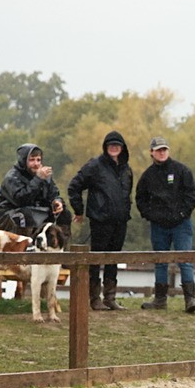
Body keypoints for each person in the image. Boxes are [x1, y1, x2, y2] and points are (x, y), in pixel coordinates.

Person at [68, 131, 133, 310]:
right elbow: (74, 186)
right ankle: (94, 298)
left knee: (114, 259)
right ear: (105, 147)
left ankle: (110, 297)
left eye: (117, 145)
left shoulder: (126, 169)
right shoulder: (95, 166)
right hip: (100, 220)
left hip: (120, 221)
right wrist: (79, 210)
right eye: (111, 145)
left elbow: (128, 194)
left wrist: (127, 210)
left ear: (122, 148)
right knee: (96, 259)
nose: (114, 148)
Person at [135, 137, 195, 313]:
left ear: (168, 151)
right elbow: (140, 199)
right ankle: (160, 299)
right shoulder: (148, 176)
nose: (162, 152)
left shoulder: (181, 170)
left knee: (184, 260)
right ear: (151, 152)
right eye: (158, 150)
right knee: (160, 261)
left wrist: (182, 213)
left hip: (181, 224)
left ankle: (190, 299)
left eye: (164, 149)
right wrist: (150, 216)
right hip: (159, 226)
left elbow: (192, 195)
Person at [0, 143, 72, 236]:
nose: (36, 164)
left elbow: (54, 194)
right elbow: (21, 200)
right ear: (23, 161)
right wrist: (37, 179)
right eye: (32, 160)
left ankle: (58, 247)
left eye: (38, 160)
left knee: (65, 214)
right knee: (25, 215)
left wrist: (57, 202)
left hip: (36, 210)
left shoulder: (45, 176)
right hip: (9, 213)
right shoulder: (12, 177)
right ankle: (26, 246)